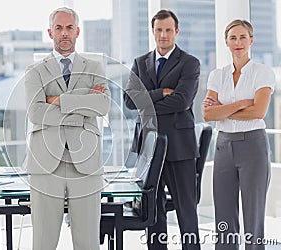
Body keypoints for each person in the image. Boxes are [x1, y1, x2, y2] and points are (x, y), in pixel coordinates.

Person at [24, 7, 111, 250]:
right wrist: (83, 103)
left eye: (69, 28)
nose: (65, 33)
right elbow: (35, 113)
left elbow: (103, 106)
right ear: (50, 32)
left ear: (77, 31)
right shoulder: (35, 70)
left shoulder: (95, 67)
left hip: (86, 162)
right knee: (43, 241)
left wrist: (59, 100)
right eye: (59, 28)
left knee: (87, 242)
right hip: (45, 162)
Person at [124, 9, 201, 249]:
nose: (163, 35)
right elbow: (128, 101)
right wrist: (161, 93)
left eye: (168, 30)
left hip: (180, 147)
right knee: (153, 213)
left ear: (176, 31)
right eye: (159, 30)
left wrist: (146, 102)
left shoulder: (189, 63)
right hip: (149, 148)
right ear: (153, 31)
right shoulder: (140, 62)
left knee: (186, 213)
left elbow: (182, 101)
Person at [203, 19, 274, 250]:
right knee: (223, 218)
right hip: (223, 147)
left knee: (253, 218)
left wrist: (223, 110)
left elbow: (259, 112)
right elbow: (208, 114)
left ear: (251, 40)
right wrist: (243, 104)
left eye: (243, 37)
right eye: (233, 38)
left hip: (253, 146)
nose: (238, 42)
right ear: (226, 42)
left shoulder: (262, 72)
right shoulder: (217, 75)